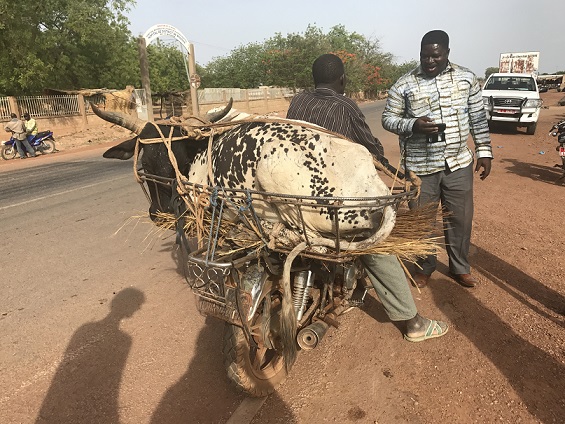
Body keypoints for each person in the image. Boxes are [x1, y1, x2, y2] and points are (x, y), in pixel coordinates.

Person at [287, 53, 448, 342]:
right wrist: (387, 165)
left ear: (313, 79)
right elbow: (369, 147)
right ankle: (413, 323)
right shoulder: (346, 105)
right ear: (343, 79)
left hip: (293, 196)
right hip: (330, 201)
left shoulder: (298, 101)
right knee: (377, 243)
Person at [382, 30, 493, 289]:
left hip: (458, 163)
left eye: (436, 56)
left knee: (460, 218)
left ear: (447, 54)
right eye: (424, 56)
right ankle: (425, 267)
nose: (430, 61)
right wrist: (412, 125)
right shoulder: (404, 84)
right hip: (420, 167)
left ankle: (460, 267)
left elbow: (477, 118)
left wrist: (484, 151)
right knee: (423, 220)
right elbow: (387, 118)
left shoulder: (466, 79)